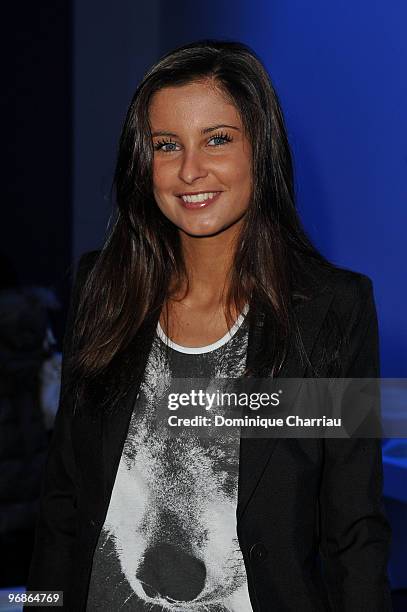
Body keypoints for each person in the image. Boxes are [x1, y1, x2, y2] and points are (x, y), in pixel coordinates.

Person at [25, 40, 392, 611]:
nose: (190, 169)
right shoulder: (102, 288)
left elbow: (353, 531)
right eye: (166, 145)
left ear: (261, 150)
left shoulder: (333, 311)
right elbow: (63, 506)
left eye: (217, 138)